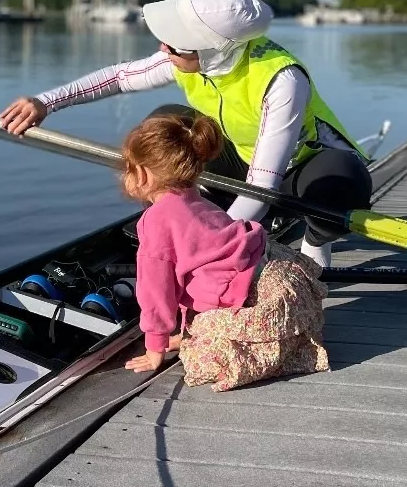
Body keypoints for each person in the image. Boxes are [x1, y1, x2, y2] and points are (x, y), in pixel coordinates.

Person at [0, 0, 373, 268]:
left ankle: (316, 238)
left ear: (214, 48)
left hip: (300, 171)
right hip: (239, 157)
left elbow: (263, 184)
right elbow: (119, 77)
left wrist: (210, 247)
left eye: (174, 46)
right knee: (164, 121)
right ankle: (175, 214)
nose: (164, 49)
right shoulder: (188, 55)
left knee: (345, 180)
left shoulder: (282, 80)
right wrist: (46, 102)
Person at [118, 110, 329, 391]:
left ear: (143, 173)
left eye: (127, 169)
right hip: (281, 282)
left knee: (202, 360)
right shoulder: (197, 201)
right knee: (200, 329)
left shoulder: (155, 221)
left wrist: (154, 347)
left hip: (258, 302)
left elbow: (157, 292)